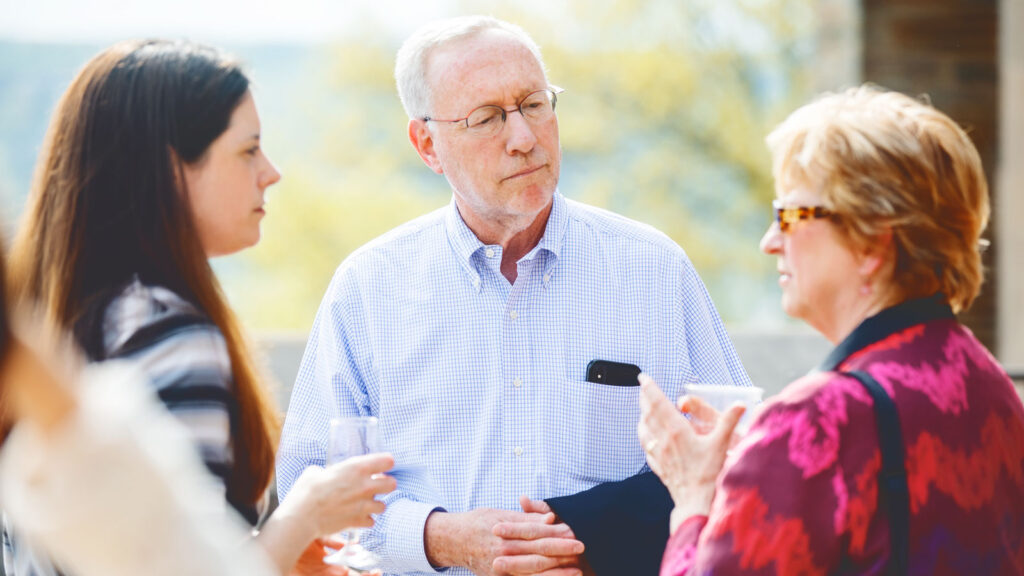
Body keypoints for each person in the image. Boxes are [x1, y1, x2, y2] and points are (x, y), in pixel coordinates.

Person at [277, 15, 750, 576]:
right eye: (488, 118)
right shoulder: (368, 289)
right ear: (428, 144)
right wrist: (437, 537)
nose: (524, 138)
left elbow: (741, 457)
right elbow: (309, 503)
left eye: (533, 104)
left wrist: (595, 542)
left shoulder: (654, 270)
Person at [3, 39, 396, 576]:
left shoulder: (62, 323)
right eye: (248, 149)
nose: (271, 171)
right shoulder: (167, 332)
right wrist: (300, 518)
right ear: (168, 168)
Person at [638, 85, 1024, 575]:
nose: (770, 241)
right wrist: (761, 462)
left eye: (791, 215)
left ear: (871, 244)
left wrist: (694, 494)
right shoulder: (989, 388)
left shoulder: (818, 420)